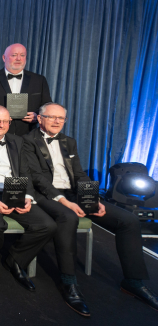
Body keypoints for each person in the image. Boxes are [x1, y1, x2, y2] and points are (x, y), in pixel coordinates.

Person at [23, 102, 158, 314]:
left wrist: (93, 198)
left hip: (74, 193)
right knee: (68, 217)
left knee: (128, 221)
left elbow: (79, 174)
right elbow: (37, 178)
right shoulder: (26, 141)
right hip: (47, 194)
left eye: (61, 118)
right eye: (51, 117)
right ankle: (69, 282)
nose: (57, 121)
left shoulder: (69, 141)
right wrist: (64, 201)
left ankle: (133, 282)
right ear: (39, 119)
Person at [0, 105, 56, 293]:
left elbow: (25, 173)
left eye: (6, 121)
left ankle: (15, 260)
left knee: (47, 225)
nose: (2, 125)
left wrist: (28, 197)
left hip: (15, 191)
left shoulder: (18, 141)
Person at [0, 44, 52, 136]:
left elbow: (47, 106)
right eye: (14, 55)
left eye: (22, 55)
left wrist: (37, 115)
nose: (18, 58)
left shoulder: (39, 80)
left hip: (29, 135)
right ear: (4, 58)